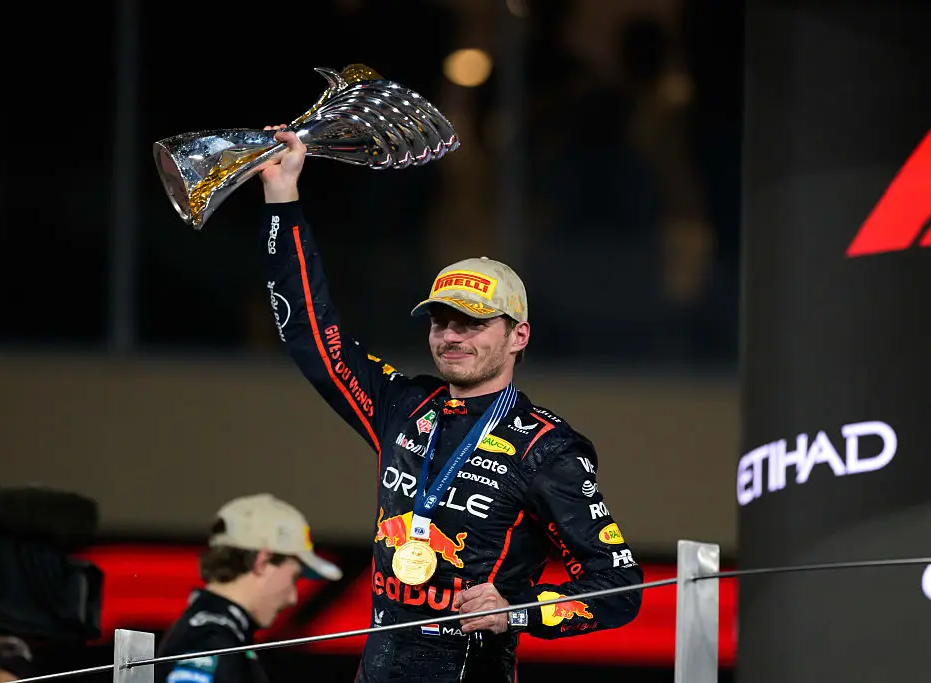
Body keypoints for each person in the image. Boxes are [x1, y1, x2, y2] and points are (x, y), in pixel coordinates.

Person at [255, 127, 644, 683]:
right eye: (441, 320)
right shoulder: (404, 405)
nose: (451, 336)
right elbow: (312, 334)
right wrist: (282, 197)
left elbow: (620, 588)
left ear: (518, 336)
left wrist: (521, 609)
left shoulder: (548, 448)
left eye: (472, 323)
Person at [154, 494, 342, 683]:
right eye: (294, 577)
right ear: (263, 562)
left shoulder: (216, 634)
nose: (292, 598)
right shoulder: (211, 640)